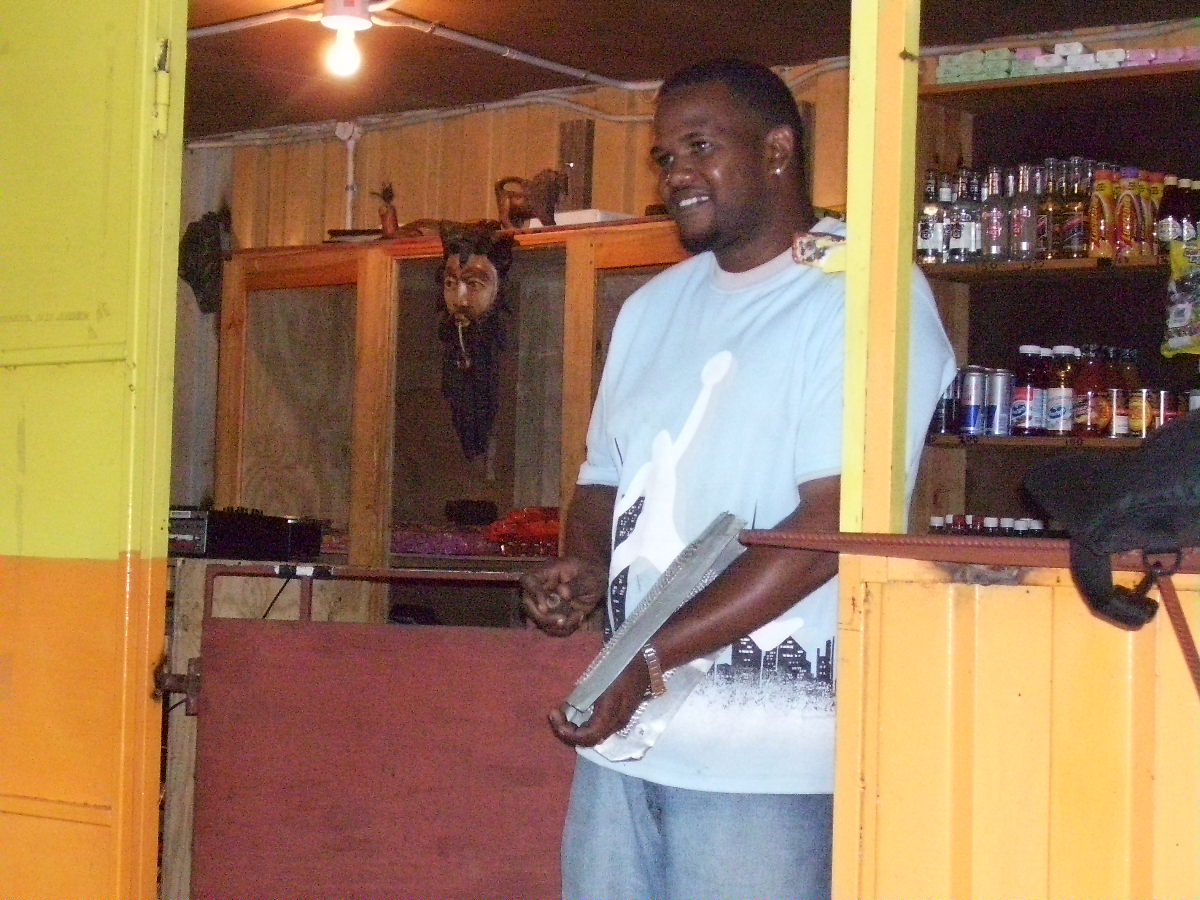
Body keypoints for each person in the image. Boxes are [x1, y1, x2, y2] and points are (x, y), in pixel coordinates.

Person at [520, 59, 956, 900]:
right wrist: (584, 564)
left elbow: (829, 528)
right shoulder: (650, 308)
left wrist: (648, 657)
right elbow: (603, 483)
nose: (676, 173)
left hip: (769, 764)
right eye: (664, 157)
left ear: (778, 150)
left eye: (700, 147)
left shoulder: (862, 295)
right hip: (625, 741)